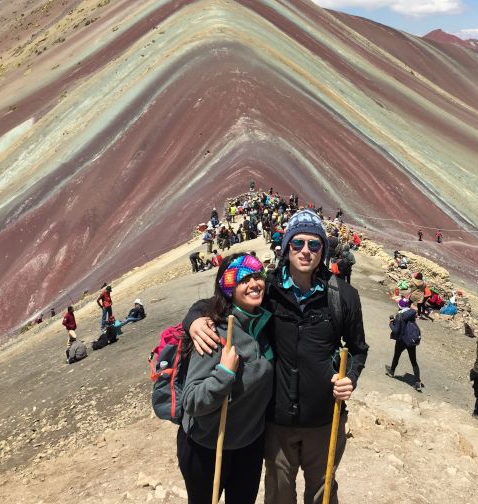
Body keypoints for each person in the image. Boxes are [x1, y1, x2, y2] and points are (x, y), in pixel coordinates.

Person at [186, 209, 369, 504]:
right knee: (278, 495)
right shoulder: (267, 288)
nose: (306, 251)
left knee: (322, 493)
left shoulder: (343, 296)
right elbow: (221, 299)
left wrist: (351, 378)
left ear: (323, 249)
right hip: (276, 423)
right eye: (297, 243)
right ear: (286, 247)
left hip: (324, 418)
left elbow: (359, 349)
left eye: (314, 244)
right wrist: (194, 319)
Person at [179, 253, 274, 504]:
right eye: (243, 280)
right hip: (207, 446)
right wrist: (224, 374)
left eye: (257, 276)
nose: (254, 283)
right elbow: (191, 401)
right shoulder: (214, 332)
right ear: (229, 288)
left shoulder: (264, 322)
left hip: (250, 445)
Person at [385, 301, 423, 391]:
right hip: (410, 340)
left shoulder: (399, 316)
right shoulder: (411, 313)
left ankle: (392, 371)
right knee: (413, 361)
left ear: (400, 306)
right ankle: (418, 382)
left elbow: (396, 330)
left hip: (402, 340)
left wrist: (391, 323)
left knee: (396, 356)